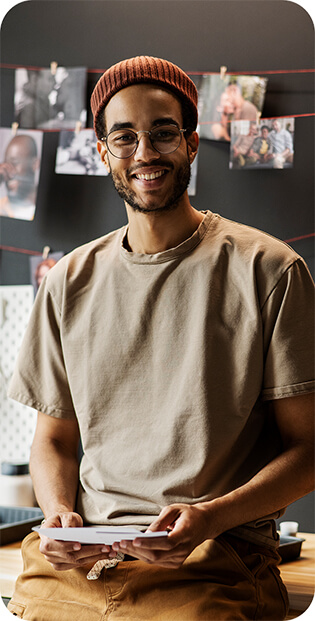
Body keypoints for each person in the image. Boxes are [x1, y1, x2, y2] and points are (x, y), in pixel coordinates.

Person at [7, 56, 314, 621]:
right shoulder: (68, 280)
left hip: (214, 560)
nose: (144, 153)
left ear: (192, 144)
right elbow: (53, 440)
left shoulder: (270, 270)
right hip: (82, 563)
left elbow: (309, 449)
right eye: (123, 137)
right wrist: (56, 513)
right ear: (103, 152)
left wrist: (213, 517)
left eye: (163, 132)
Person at [0, 134, 39, 220]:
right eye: (5, 164)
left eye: (14, 163)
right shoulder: (1, 207)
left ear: (34, 164)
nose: (8, 171)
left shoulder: (48, 206)